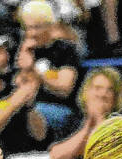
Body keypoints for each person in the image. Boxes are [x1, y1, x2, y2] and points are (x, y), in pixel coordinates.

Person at [14, 0, 82, 134]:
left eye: (37, 27)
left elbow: (64, 89)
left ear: (50, 26)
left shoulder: (64, 49)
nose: (32, 33)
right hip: (28, 106)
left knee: (27, 114)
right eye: (27, 28)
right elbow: (18, 86)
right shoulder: (22, 50)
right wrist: (24, 68)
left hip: (59, 108)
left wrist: (33, 70)